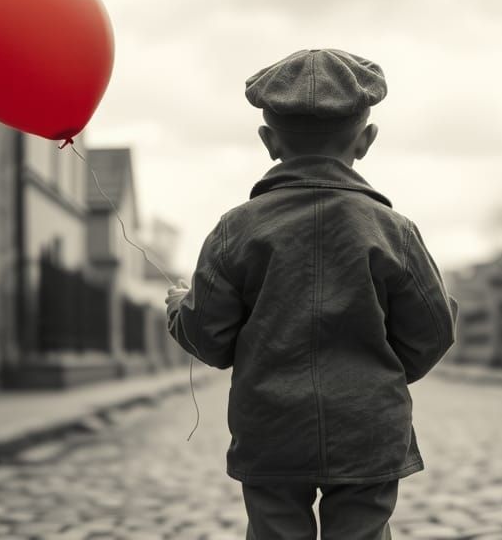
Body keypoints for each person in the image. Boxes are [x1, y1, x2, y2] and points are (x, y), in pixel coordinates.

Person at [165, 49, 459, 540]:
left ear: (268, 141)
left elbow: (210, 339)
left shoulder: (234, 231)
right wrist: (377, 372)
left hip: (270, 429)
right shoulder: (393, 232)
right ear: (365, 141)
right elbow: (433, 332)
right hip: (368, 426)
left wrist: (179, 309)